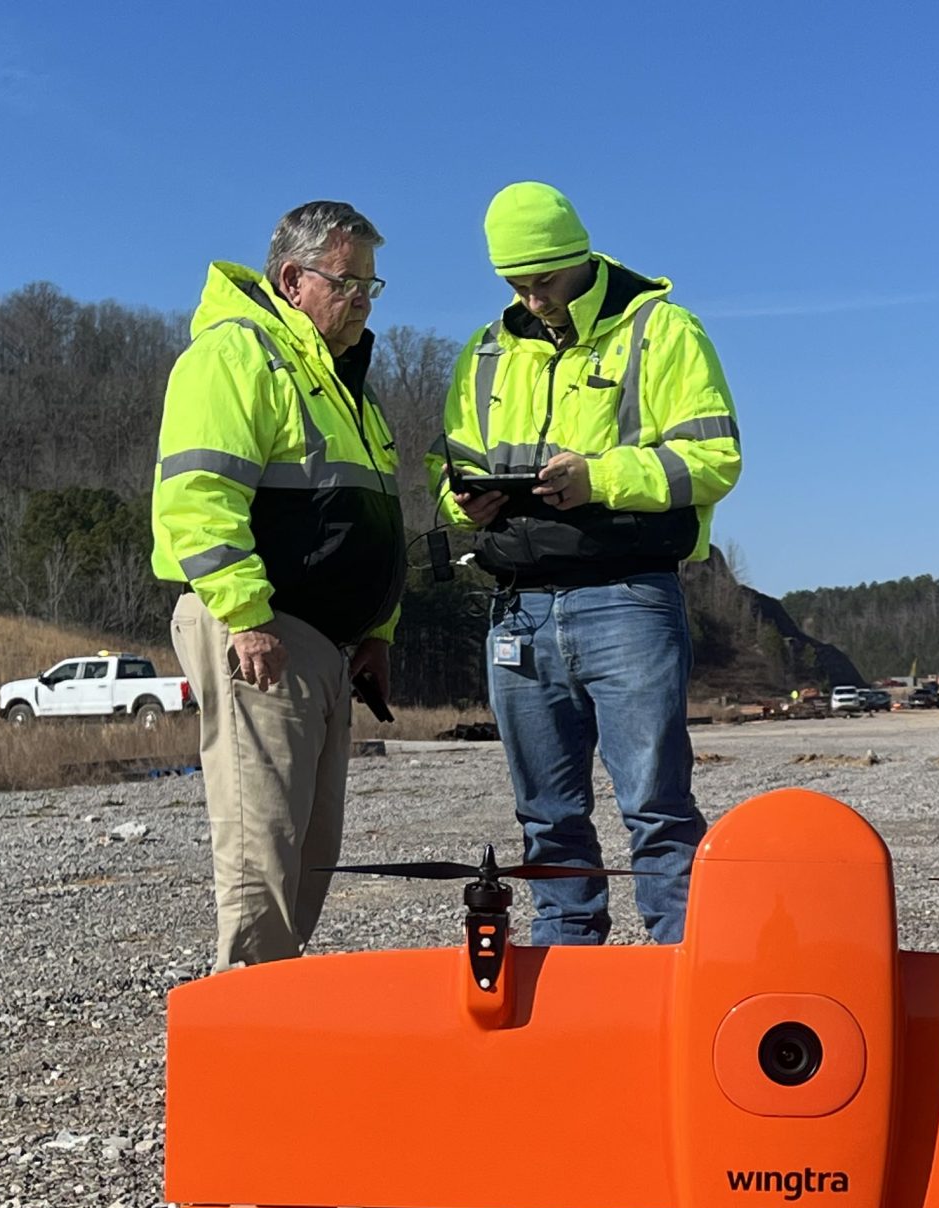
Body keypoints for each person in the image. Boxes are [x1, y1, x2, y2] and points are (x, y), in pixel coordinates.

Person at [430, 182, 742, 944]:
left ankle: (684, 976)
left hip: (627, 597)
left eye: (544, 281)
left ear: (580, 259)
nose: (532, 299)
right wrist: (463, 503)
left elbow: (715, 458)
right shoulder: (484, 353)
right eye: (516, 284)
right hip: (519, 606)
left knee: (658, 808)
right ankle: (567, 983)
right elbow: (452, 474)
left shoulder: (662, 332)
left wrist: (598, 479)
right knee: (545, 818)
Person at [150, 202, 404, 969]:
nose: (361, 297)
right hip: (266, 630)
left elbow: (372, 521)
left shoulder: (343, 381)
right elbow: (198, 497)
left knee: (311, 847)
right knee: (262, 842)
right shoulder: (237, 355)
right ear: (293, 279)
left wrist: (378, 633)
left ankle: (277, 1008)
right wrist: (246, 616)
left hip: (329, 645)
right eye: (346, 280)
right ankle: (247, 1024)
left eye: (371, 282)